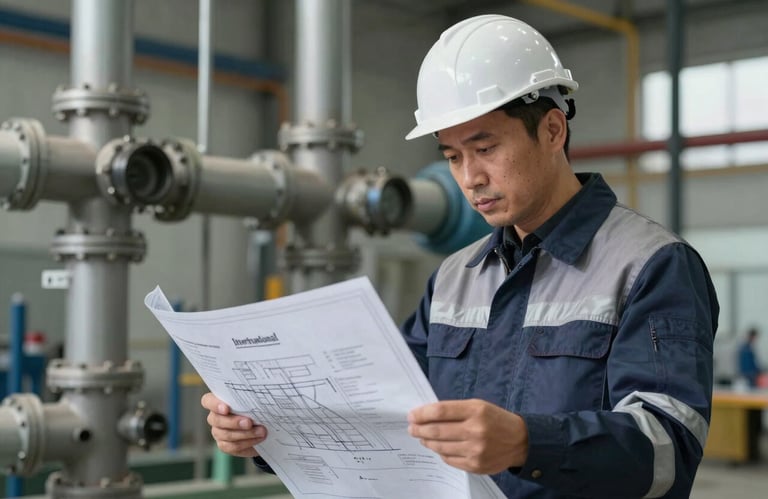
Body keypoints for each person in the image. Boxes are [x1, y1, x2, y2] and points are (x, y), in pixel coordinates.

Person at [201, 14, 719, 498]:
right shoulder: (455, 276)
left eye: (486, 147)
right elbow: (382, 411)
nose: (470, 177)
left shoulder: (651, 265)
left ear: (553, 130)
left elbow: (669, 451)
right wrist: (268, 433)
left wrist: (526, 443)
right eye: (453, 156)